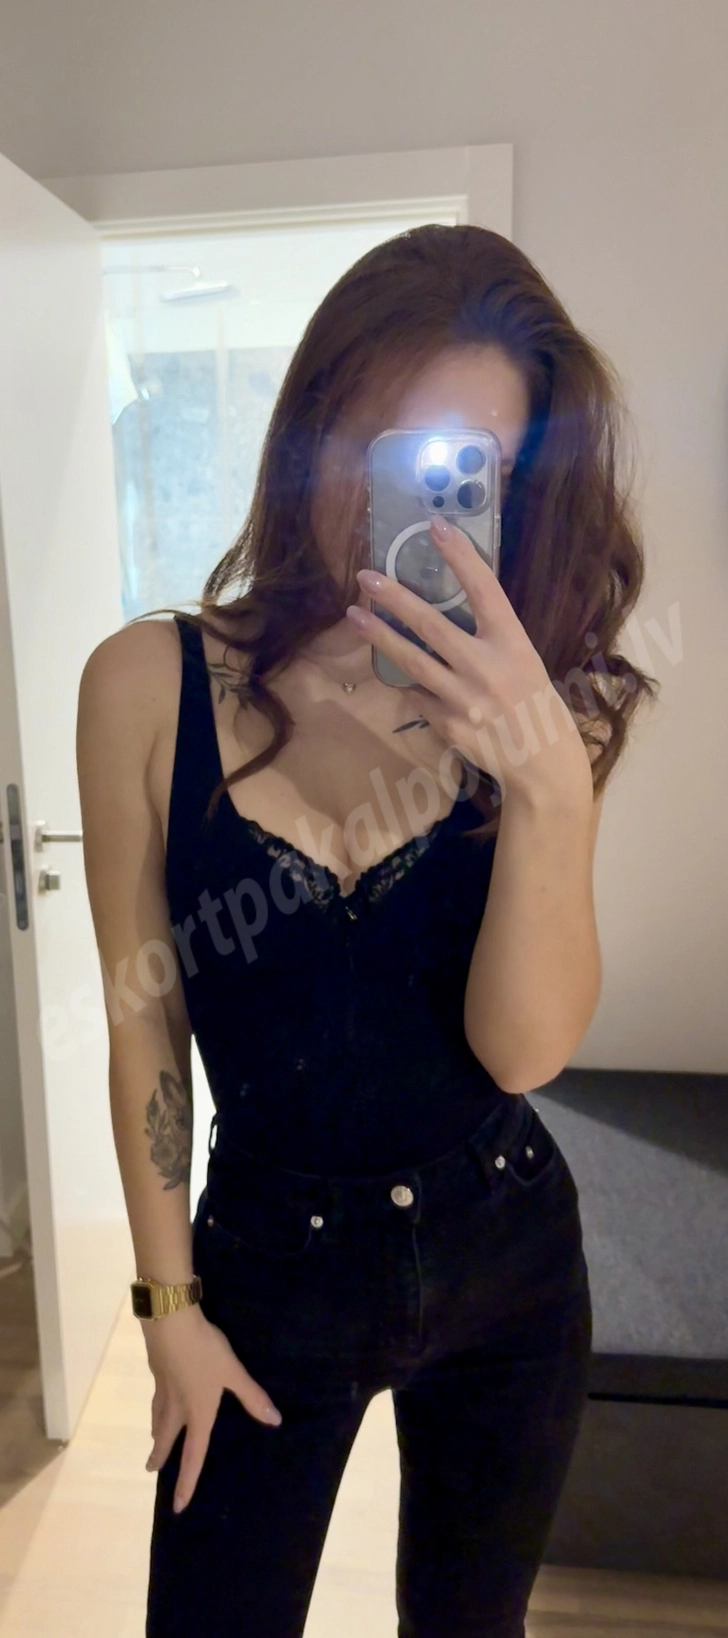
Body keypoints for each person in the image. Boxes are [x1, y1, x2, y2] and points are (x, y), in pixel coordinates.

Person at [77, 223, 657, 1638]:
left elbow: (522, 1051)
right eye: (385, 443)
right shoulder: (148, 683)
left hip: (507, 1252)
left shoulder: (546, 706)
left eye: (473, 466)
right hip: (266, 1271)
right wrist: (165, 1310)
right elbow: (144, 1018)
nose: (416, 498)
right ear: (313, 428)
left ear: (518, 490)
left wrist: (544, 783)